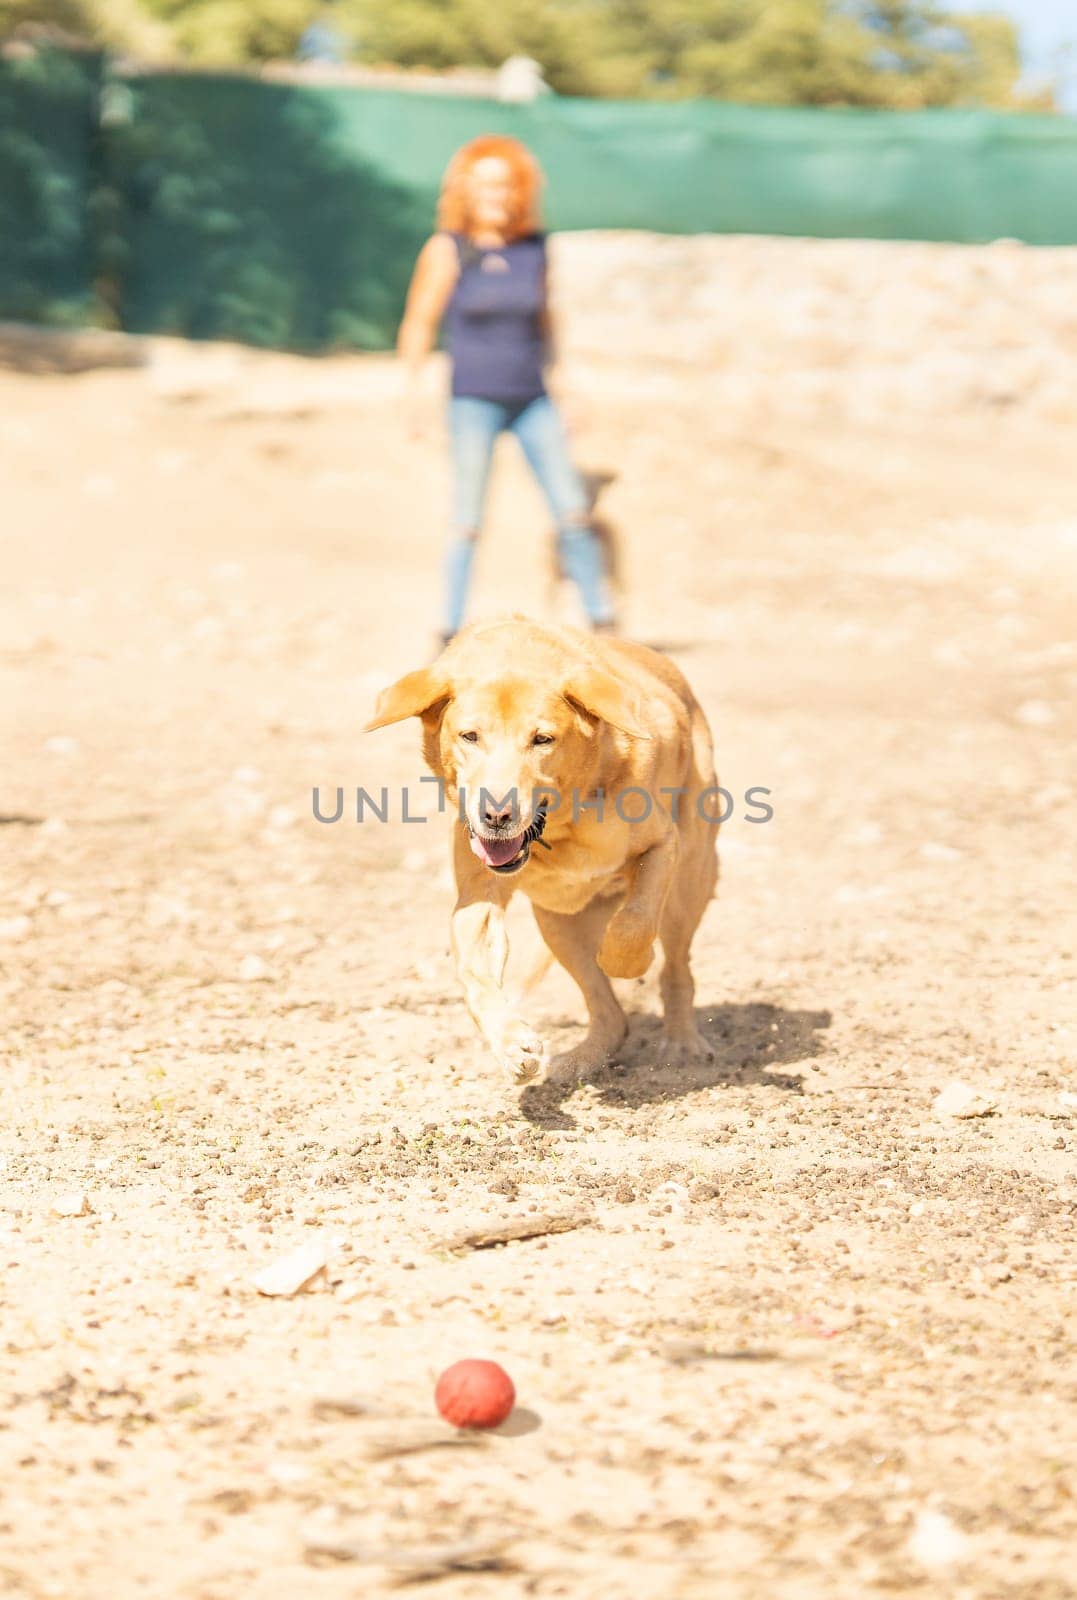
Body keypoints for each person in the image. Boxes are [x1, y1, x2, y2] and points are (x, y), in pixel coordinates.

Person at [397, 135, 617, 646]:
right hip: (472, 398)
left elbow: (547, 326)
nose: (494, 194)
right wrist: (412, 395)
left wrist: (566, 387)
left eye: (503, 184)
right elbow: (418, 324)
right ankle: (448, 630)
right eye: (483, 184)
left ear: (518, 189)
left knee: (572, 511)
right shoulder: (447, 249)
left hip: (532, 398)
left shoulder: (535, 250)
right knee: (467, 520)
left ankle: (602, 623)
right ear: (465, 191)